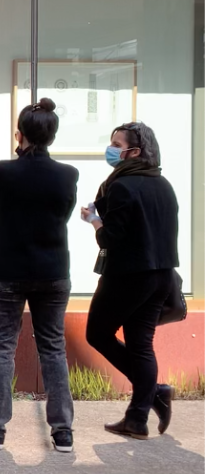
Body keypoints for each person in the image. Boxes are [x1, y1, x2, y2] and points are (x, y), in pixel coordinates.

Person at [0, 97, 78, 454]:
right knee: (53, 348)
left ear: (18, 134)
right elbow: (63, 214)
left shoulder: (4, 171)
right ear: (52, 135)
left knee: (2, 346)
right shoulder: (68, 174)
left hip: (7, 270)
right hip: (53, 271)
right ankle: (63, 431)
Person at [83, 122, 179, 439]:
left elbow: (111, 239)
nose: (111, 149)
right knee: (141, 345)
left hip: (127, 277)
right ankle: (138, 417)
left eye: (116, 143)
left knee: (97, 334)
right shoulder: (163, 184)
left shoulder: (122, 186)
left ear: (134, 152)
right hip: (161, 276)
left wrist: (95, 220)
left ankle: (154, 394)